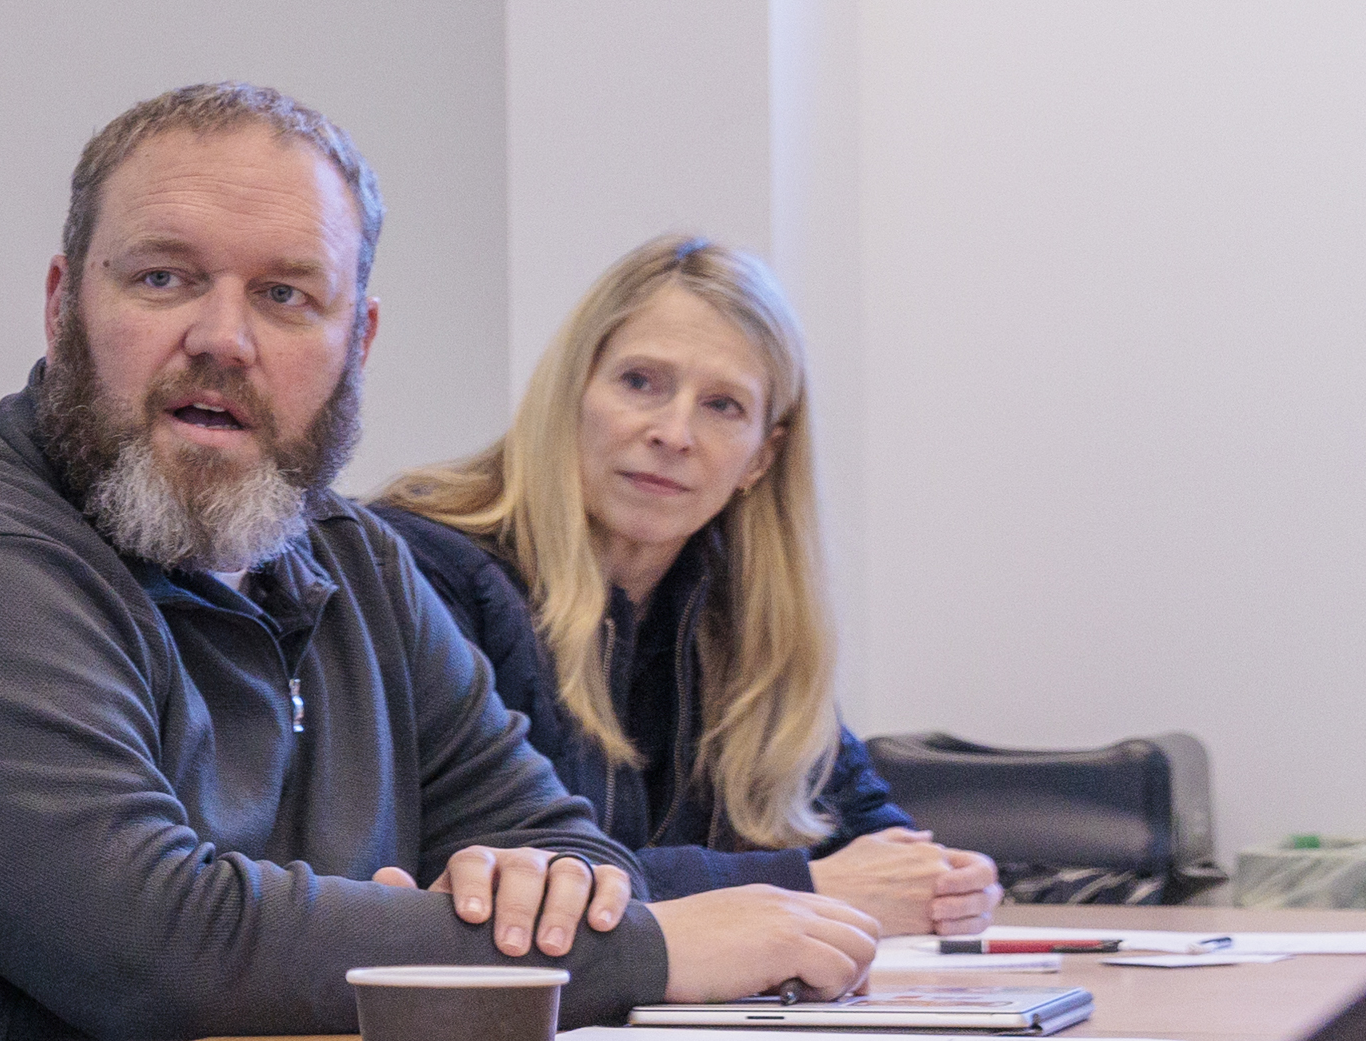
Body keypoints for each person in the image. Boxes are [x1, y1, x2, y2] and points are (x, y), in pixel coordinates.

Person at [0, 82, 882, 1041]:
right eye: (164, 279)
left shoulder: (354, 568)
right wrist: (649, 949)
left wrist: (506, 914)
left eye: (285, 295)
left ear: (355, 341)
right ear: (63, 307)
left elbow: (565, 850)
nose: (222, 339)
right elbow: (173, 957)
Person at [375, 236, 992, 935]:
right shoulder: (422, 569)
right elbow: (493, 876)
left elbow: (875, 850)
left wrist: (948, 885)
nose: (672, 432)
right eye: (641, 381)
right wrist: (801, 884)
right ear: (572, 390)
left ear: (762, 455)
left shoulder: (737, 613)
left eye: (722, 405)